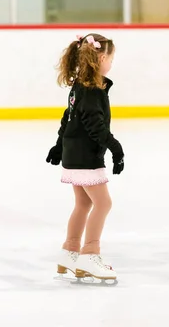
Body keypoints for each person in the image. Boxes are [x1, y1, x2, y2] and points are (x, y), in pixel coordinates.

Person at [46, 33, 124, 282]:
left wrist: (60, 146)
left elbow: (67, 118)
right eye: (111, 59)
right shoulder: (92, 90)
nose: (111, 64)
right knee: (103, 204)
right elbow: (94, 125)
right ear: (101, 58)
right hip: (86, 157)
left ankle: (69, 252)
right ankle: (90, 254)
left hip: (73, 154)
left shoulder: (79, 87)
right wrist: (115, 147)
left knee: (83, 204)